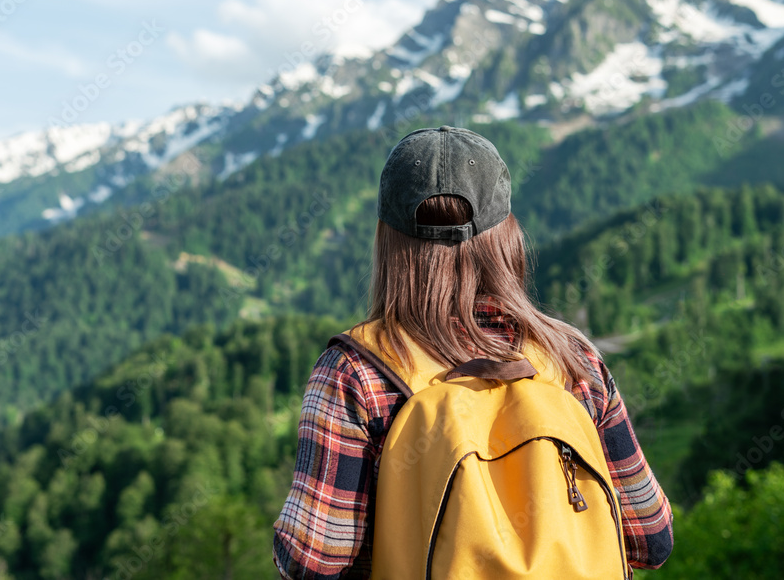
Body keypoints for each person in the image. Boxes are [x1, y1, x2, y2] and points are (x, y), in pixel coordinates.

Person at [273, 125, 673, 578]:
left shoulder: (356, 371)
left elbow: (313, 563)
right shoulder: (571, 358)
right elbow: (650, 536)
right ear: (507, 235)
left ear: (388, 241)